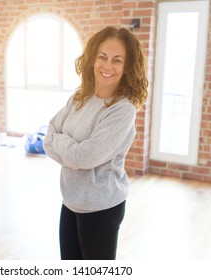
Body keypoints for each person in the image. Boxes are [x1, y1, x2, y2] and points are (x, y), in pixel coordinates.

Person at [43, 26, 148, 260]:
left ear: (127, 67)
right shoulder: (80, 97)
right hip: (70, 201)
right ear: (92, 59)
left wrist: (66, 146)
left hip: (101, 208)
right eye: (102, 57)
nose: (107, 66)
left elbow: (85, 157)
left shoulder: (122, 109)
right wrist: (72, 151)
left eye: (117, 60)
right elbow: (48, 139)